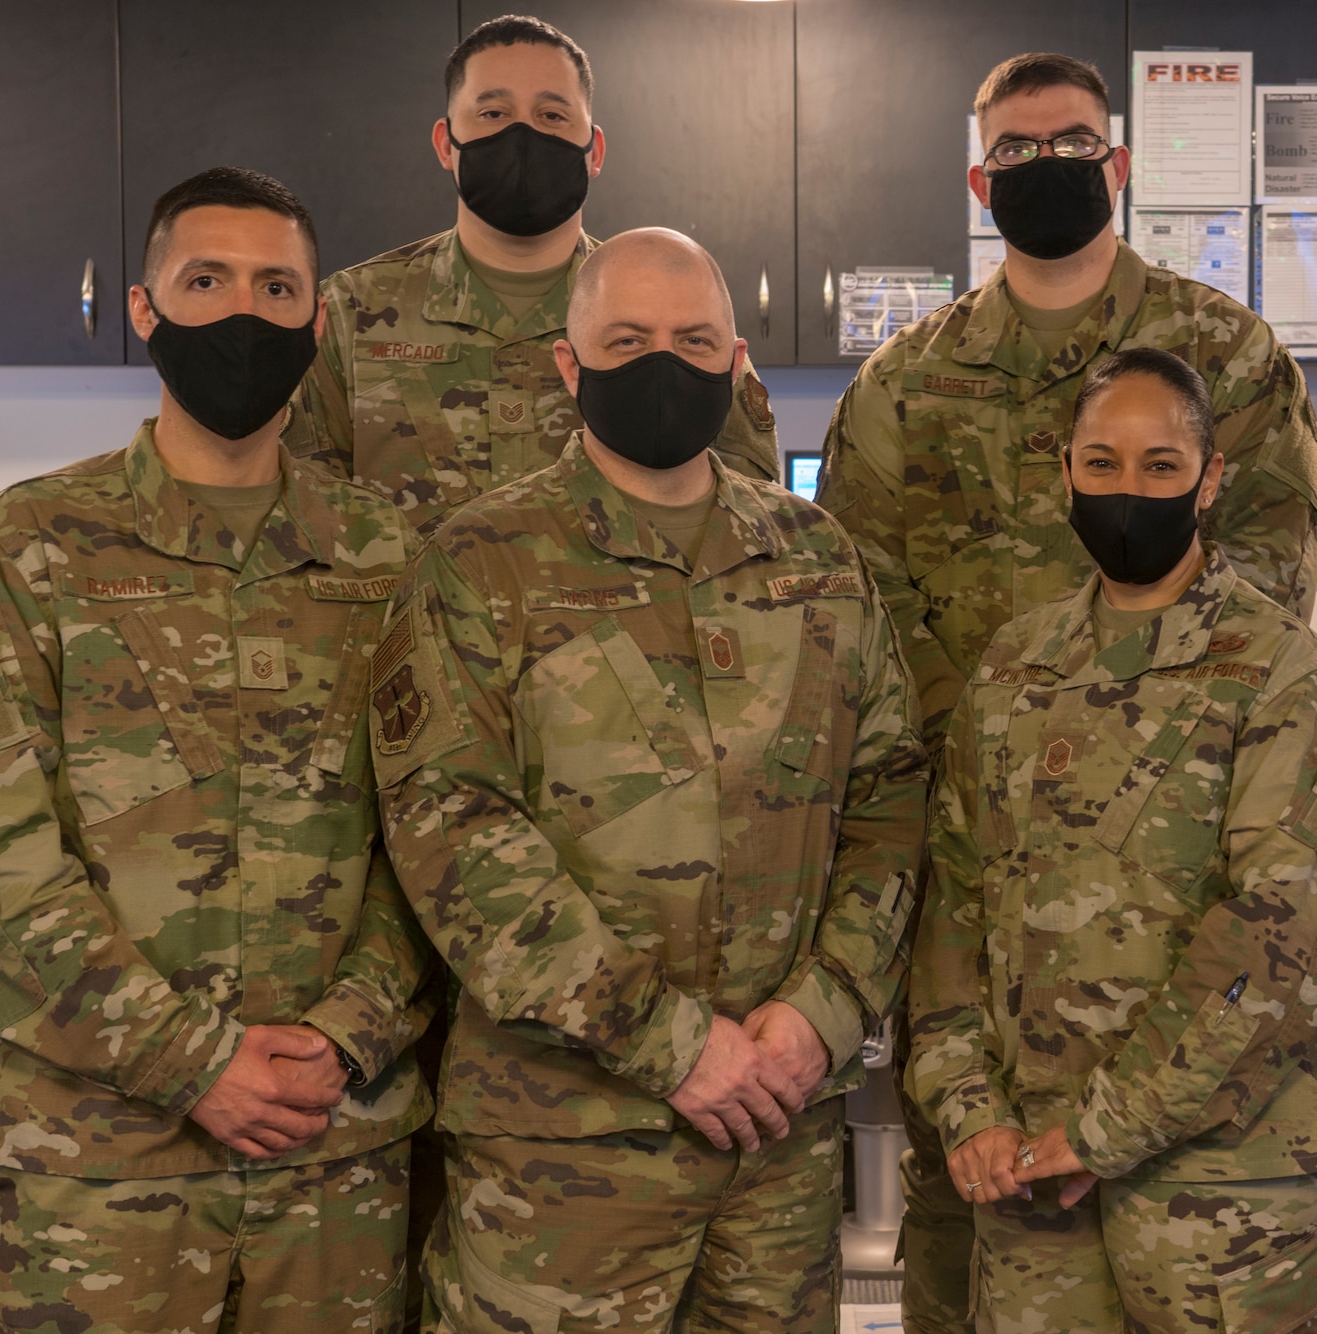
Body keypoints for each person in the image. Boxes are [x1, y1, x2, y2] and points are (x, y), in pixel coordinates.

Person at [816, 51, 1317, 1329]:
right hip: (986, 875)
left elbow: (1267, 582)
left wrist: (1117, 732)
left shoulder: (1227, 351)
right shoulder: (904, 383)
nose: (1046, 166)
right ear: (979, 175)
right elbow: (861, 608)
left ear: (1118, 164)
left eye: (1072, 143)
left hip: (1187, 858)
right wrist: (1001, 728)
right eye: (1018, 149)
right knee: (973, 1249)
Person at [371, 227, 928, 1332]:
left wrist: (818, 1014)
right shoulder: (478, 561)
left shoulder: (819, 560)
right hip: (562, 1152)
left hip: (779, 1146)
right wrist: (673, 1045)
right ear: (568, 368)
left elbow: (891, 800)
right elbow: (451, 830)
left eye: (692, 339)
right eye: (626, 340)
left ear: (734, 362)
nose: (662, 362)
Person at [0, 168, 433, 1331]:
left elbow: (443, 833)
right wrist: (190, 1060)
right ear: (145, 311)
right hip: (90, 1168)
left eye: (275, 285)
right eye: (206, 280)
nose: (241, 312)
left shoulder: (389, 557)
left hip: (328, 1158)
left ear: (315, 322)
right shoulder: (31, 545)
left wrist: (347, 1032)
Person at [907, 348, 1317, 1332]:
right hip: (1029, 1192)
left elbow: (1283, 936)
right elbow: (951, 910)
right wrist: (965, 1106)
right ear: (1062, 474)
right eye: (1101, 462)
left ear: (1208, 482)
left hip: (1222, 1207)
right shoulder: (1011, 669)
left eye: (1160, 465)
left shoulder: (1280, 674)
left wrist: (1100, 1128)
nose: (1128, 487)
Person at [284, 14, 779, 540]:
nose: (522, 135)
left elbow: (746, 512)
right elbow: (302, 515)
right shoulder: (345, 312)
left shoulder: (673, 313)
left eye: (552, 115)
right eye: (493, 112)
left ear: (595, 151)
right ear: (446, 144)